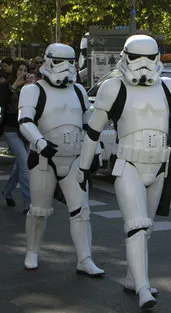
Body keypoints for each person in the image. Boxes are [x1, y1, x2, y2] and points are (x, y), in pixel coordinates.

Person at [76, 35, 171, 309]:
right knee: (136, 225)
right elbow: (93, 130)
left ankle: (131, 278)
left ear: (158, 57)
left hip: (158, 165)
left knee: (145, 229)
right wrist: (83, 167)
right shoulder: (113, 88)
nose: (144, 64)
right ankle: (142, 288)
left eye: (150, 57)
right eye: (137, 57)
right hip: (129, 165)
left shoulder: (170, 87)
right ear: (125, 57)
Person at [18, 43, 103, 277]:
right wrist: (40, 143)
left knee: (82, 210)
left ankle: (85, 259)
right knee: (38, 210)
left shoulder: (78, 91)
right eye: (59, 62)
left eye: (70, 62)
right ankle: (32, 251)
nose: (65, 68)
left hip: (74, 157)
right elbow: (25, 121)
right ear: (48, 61)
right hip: (44, 159)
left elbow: (89, 123)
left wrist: (96, 151)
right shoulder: (33, 90)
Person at [1, 60, 31, 213]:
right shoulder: (7, 86)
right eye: (19, 70)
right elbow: (2, 101)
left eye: (25, 70)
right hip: (10, 129)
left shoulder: (30, 88)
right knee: (25, 166)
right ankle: (28, 204)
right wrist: (14, 87)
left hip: (25, 130)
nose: (22, 73)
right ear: (15, 72)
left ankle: (7, 192)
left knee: (20, 166)